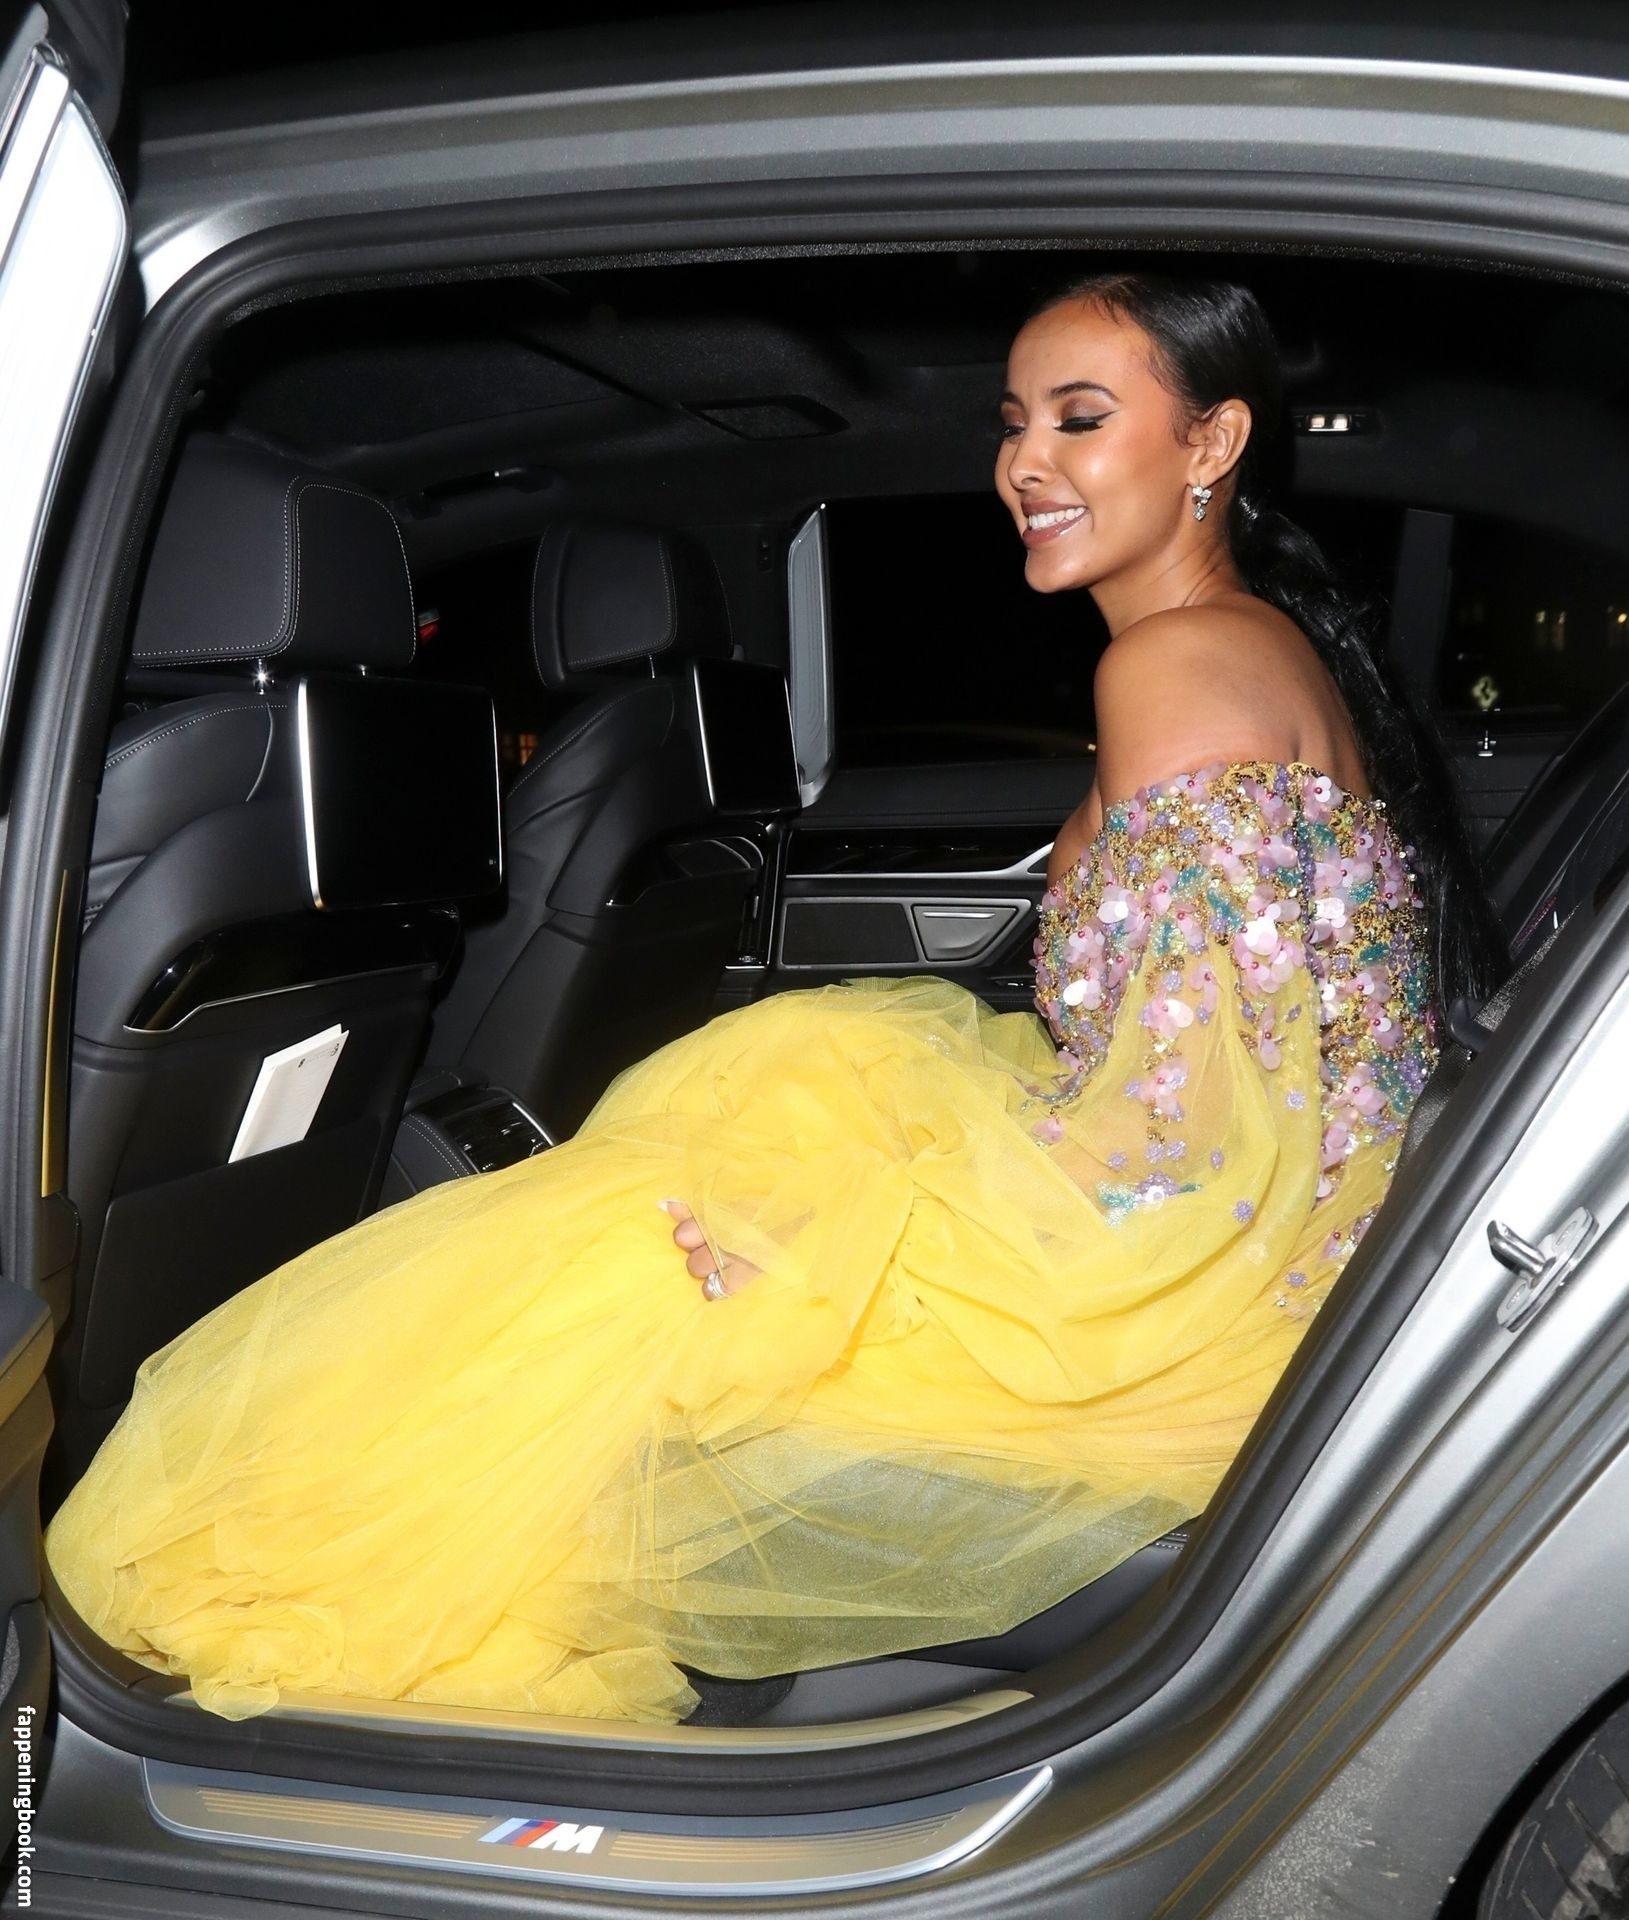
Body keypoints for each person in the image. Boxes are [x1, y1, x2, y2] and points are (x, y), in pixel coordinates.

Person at [43, 269, 1502, 1728]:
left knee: (627, 1274)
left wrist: (844, 1257)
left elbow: (1199, 1130)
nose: (1023, 463)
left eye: (1079, 419)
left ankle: (283, 1639)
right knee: (689, 1196)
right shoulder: (1232, 650)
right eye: (1013, 423)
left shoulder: (1174, 668)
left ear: (1210, 443)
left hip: (1196, 1292)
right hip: (1258, 1240)